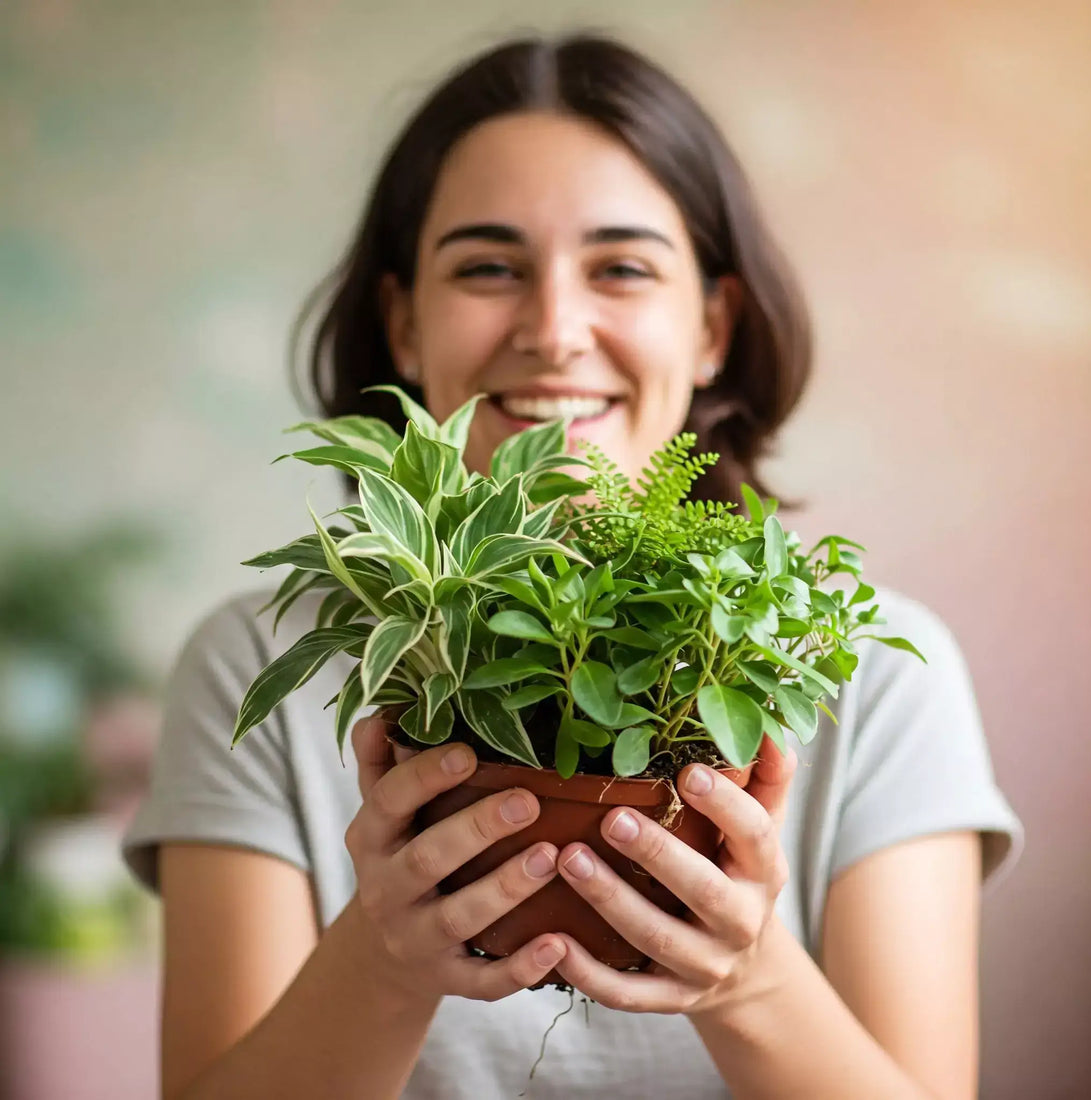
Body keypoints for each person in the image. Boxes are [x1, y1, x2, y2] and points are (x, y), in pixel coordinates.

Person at [121, 31, 1024, 1100]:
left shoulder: (876, 670)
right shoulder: (257, 662)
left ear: (712, 327)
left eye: (622, 268)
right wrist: (383, 957)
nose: (553, 330)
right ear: (402, 321)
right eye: (487, 267)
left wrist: (745, 981)